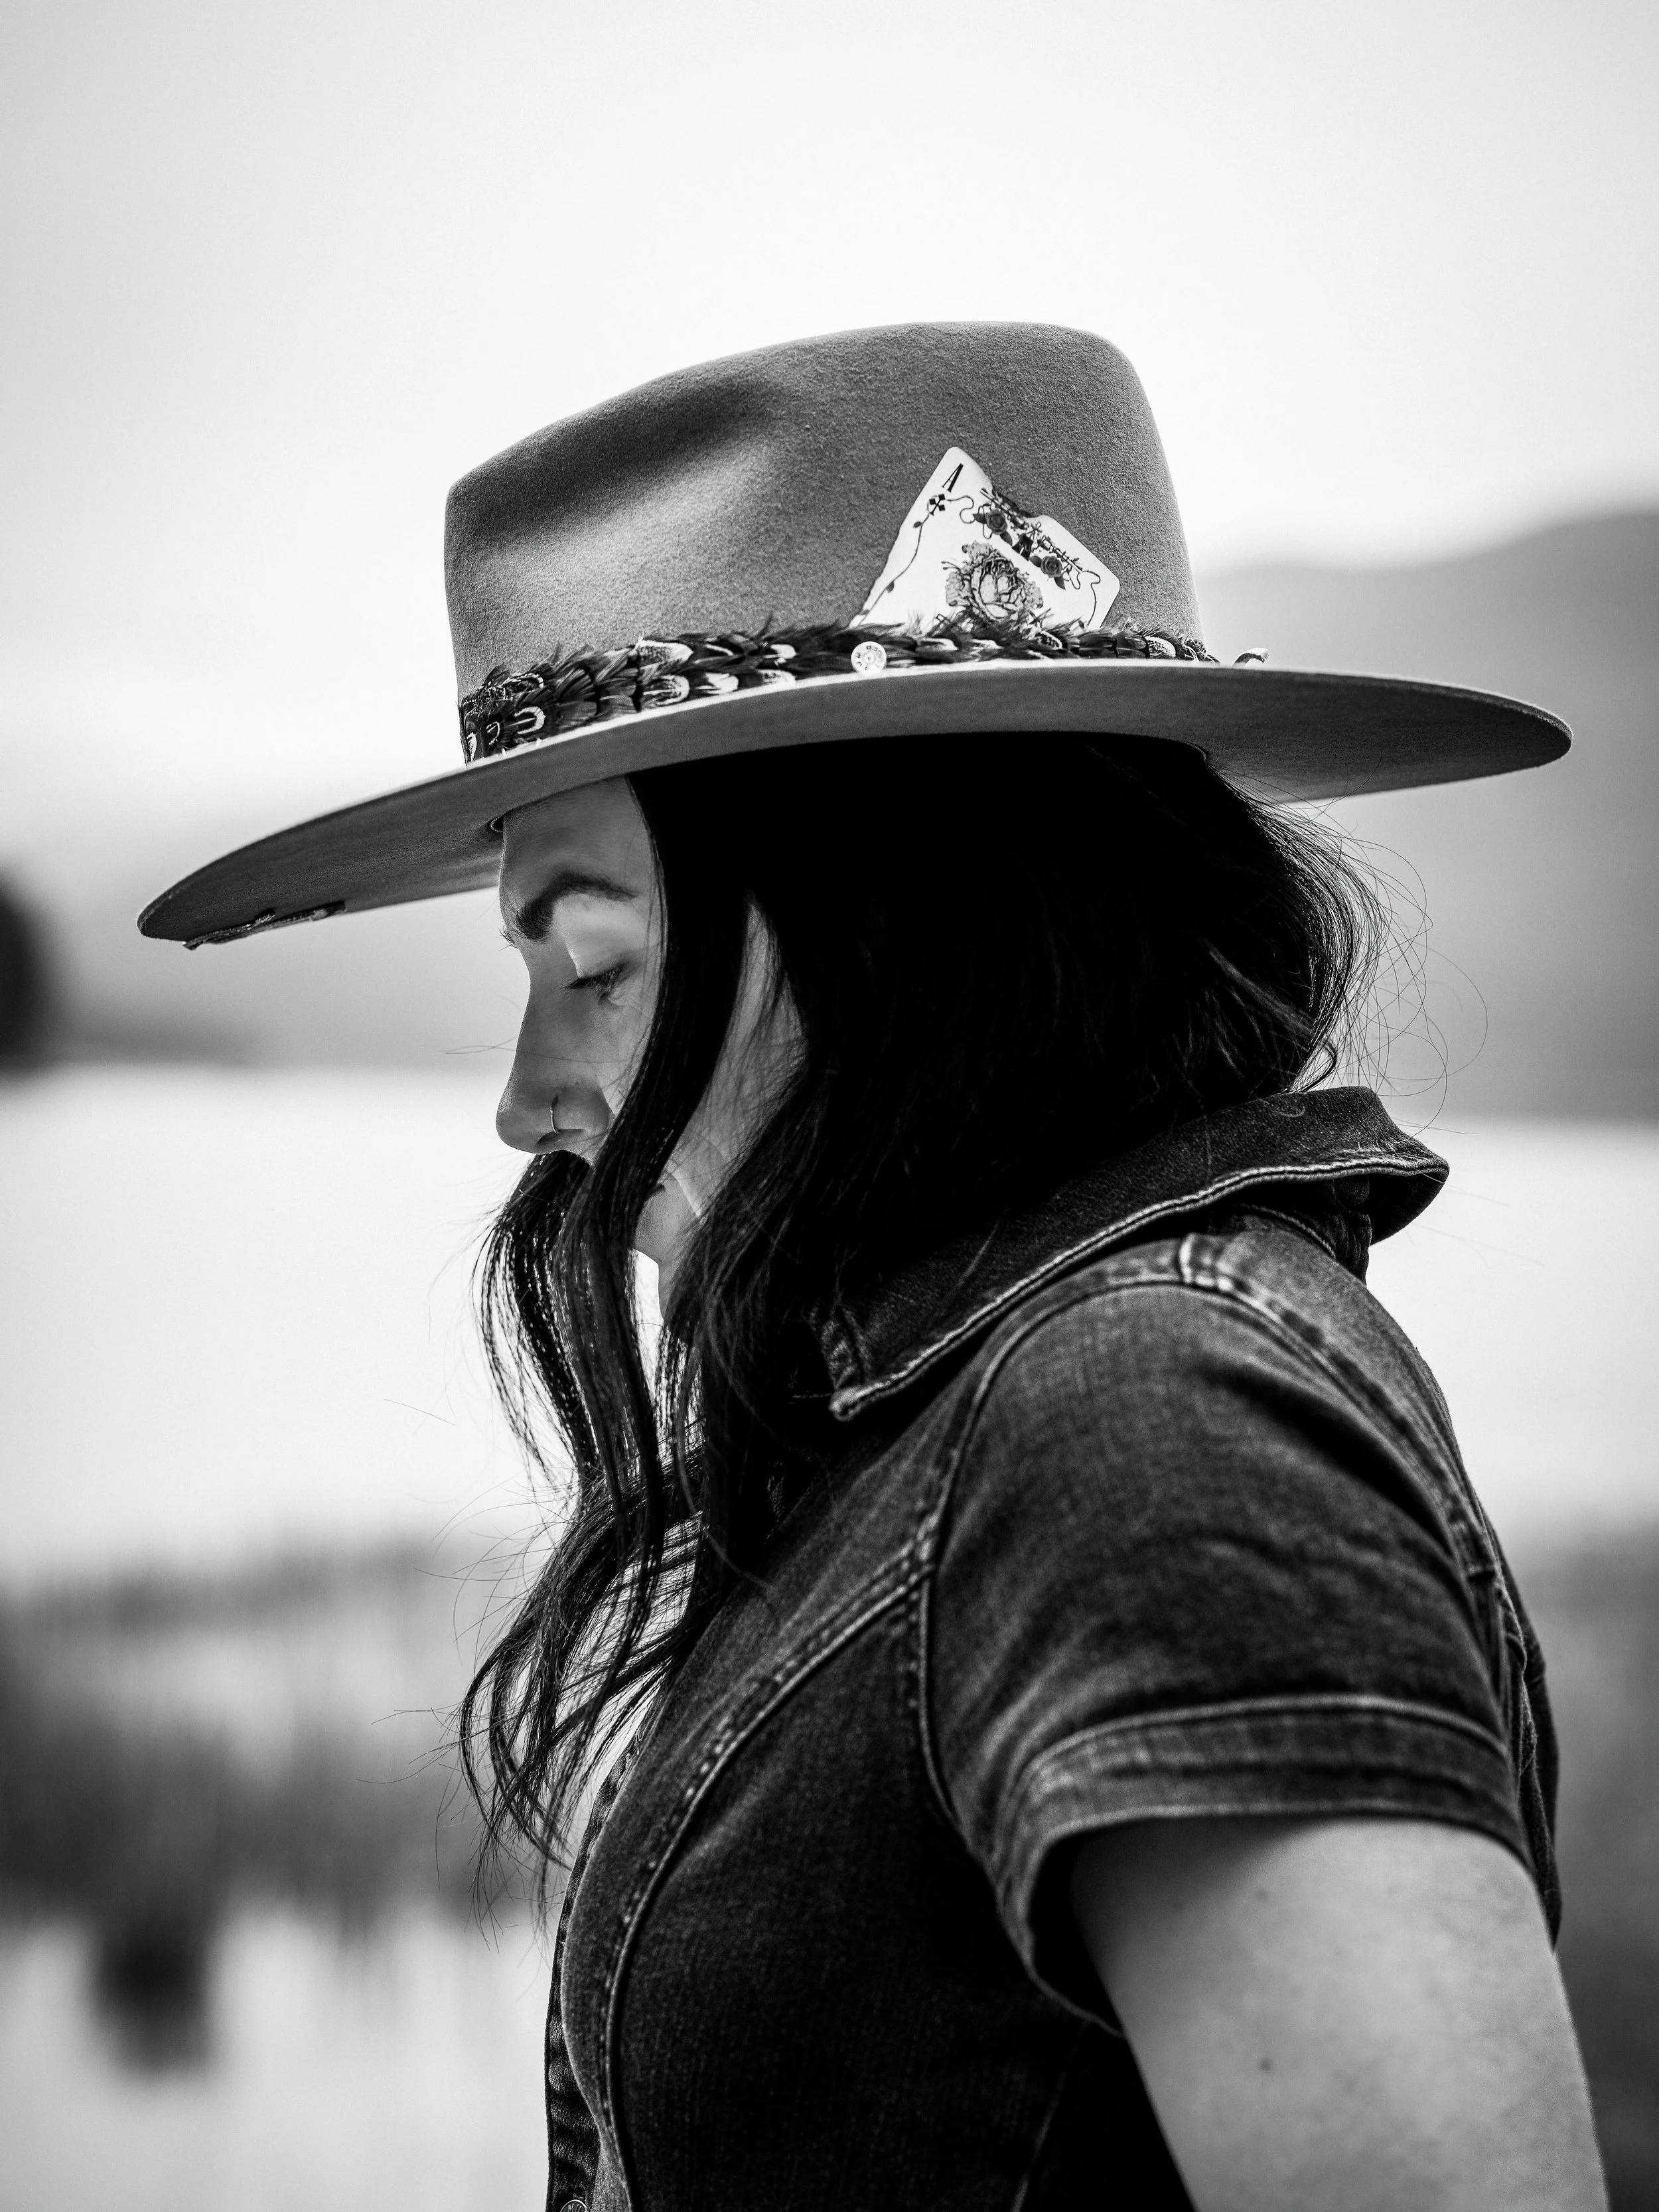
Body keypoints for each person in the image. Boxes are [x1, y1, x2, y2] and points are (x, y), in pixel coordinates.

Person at [142, 324, 1607, 2211]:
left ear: (907, 925)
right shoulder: (985, 1396)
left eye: (593, 964)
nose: (528, 1101)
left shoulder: (1154, 1420)